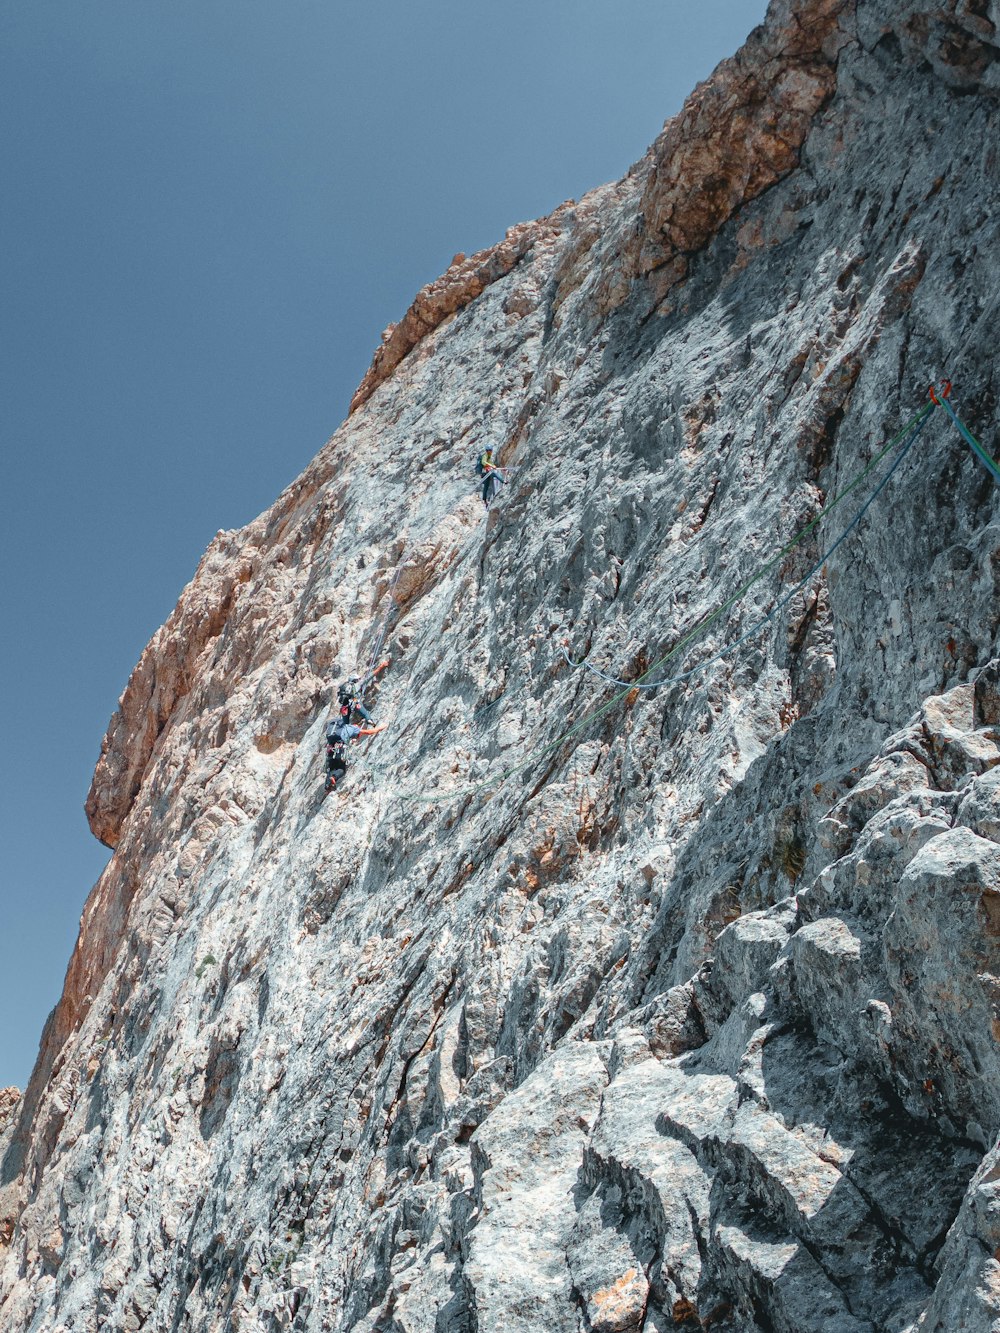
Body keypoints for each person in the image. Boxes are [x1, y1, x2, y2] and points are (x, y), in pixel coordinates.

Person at [324, 706, 386, 793]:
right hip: (340, 749)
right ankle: (333, 777)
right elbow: (368, 732)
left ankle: (327, 787)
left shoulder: (339, 729)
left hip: (331, 750)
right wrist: (380, 728)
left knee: (331, 768)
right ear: (356, 725)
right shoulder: (353, 728)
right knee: (341, 769)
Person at [338, 658, 389, 725]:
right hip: (355, 702)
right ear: (355, 680)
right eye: (358, 679)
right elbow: (370, 676)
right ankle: (369, 721)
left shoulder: (345, 688)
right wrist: (381, 666)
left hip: (345, 707)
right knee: (365, 713)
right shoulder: (356, 685)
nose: (359, 680)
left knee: (345, 723)